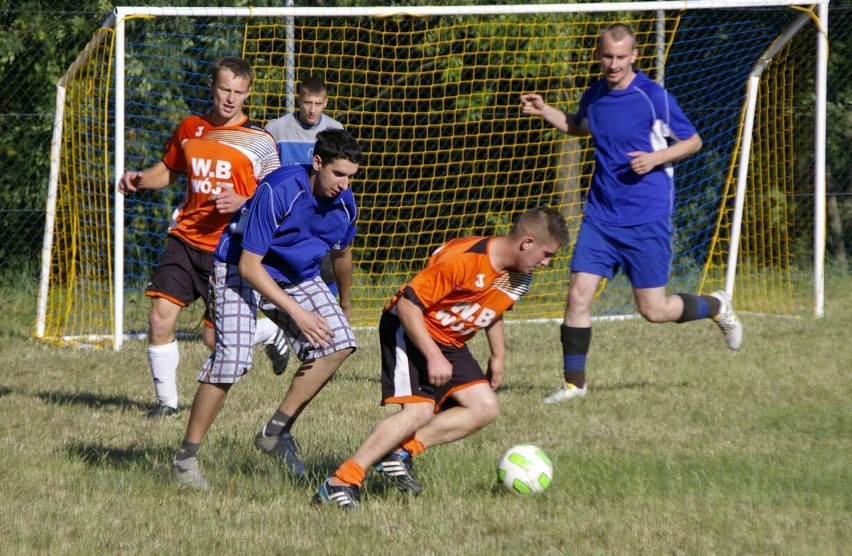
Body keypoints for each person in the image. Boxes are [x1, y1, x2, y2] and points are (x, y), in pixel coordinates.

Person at [518, 23, 743, 405]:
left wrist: (655, 158)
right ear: (598, 54)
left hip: (647, 218)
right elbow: (579, 126)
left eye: (622, 57)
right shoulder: (596, 95)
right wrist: (545, 110)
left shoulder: (653, 97)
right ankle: (575, 384)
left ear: (634, 56)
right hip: (601, 217)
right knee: (577, 297)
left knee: (654, 311)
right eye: (607, 56)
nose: (614, 64)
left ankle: (717, 305)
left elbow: (693, 141)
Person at [314, 207, 570, 508]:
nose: (547, 263)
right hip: (410, 327)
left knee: (484, 407)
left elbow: (493, 309)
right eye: (546, 254)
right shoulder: (464, 259)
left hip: (450, 340)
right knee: (418, 412)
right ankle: (341, 482)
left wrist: (498, 355)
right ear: (527, 243)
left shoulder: (519, 277)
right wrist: (433, 356)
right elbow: (409, 305)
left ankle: (400, 452)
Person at [171, 128, 362, 490]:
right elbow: (249, 266)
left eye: (351, 177)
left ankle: (275, 433)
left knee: (340, 343)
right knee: (232, 360)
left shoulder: (346, 204)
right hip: (240, 267)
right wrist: (299, 314)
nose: (344, 185)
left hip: (297, 274)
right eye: (338, 174)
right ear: (317, 163)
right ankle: (186, 459)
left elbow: (342, 253)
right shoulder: (279, 190)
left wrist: (345, 303)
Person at [118, 56, 287, 419]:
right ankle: (167, 405)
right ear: (212, 87)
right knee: (160, 317)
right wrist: (141, 179)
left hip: (229, 248)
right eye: (225, 89)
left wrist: (244, 201)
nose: (230, 98)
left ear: (248, 94)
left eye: (239, 92)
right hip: (185, 238)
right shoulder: (191, 128)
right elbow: (170, 169)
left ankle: (268, 332)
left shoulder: (259, 141)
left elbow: (278, 195)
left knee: (215, 340)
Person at [262, 77, 346, 375]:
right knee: (269, 272)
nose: (312, 110)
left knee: (323, 271)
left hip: (317, 218)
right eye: (307, 103)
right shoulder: (276, 128)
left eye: (318, 104)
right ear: (299, 101)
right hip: (282, 215)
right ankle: (279, 329)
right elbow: (266, 167)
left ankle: (328, 334)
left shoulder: (334, 130)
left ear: (326, 104)